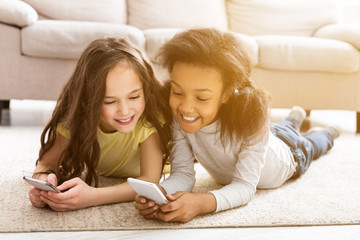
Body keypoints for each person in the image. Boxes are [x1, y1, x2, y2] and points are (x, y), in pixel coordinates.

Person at [134, 28, 341, 223]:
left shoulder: (251, 118)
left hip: (291, 153)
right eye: (177, 92)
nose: (186, 108)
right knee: (281, 129)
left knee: (311, 144)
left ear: (226, 94)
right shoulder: (180, 113)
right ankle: (294, 118)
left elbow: (244, 186)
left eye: (202, 98)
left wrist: (202, 203)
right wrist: (160, 193)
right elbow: (182, 173)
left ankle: (326, 133)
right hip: (268, 140)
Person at [27, 38, 171, 211]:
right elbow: (46, 164)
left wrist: (92, 197)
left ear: (145, 91)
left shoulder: (150, 119)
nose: (125, 111)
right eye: (110, 101)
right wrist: (43, 184)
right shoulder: (74, 116)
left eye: (134, 97)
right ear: (88, 101)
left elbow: (149, 180)